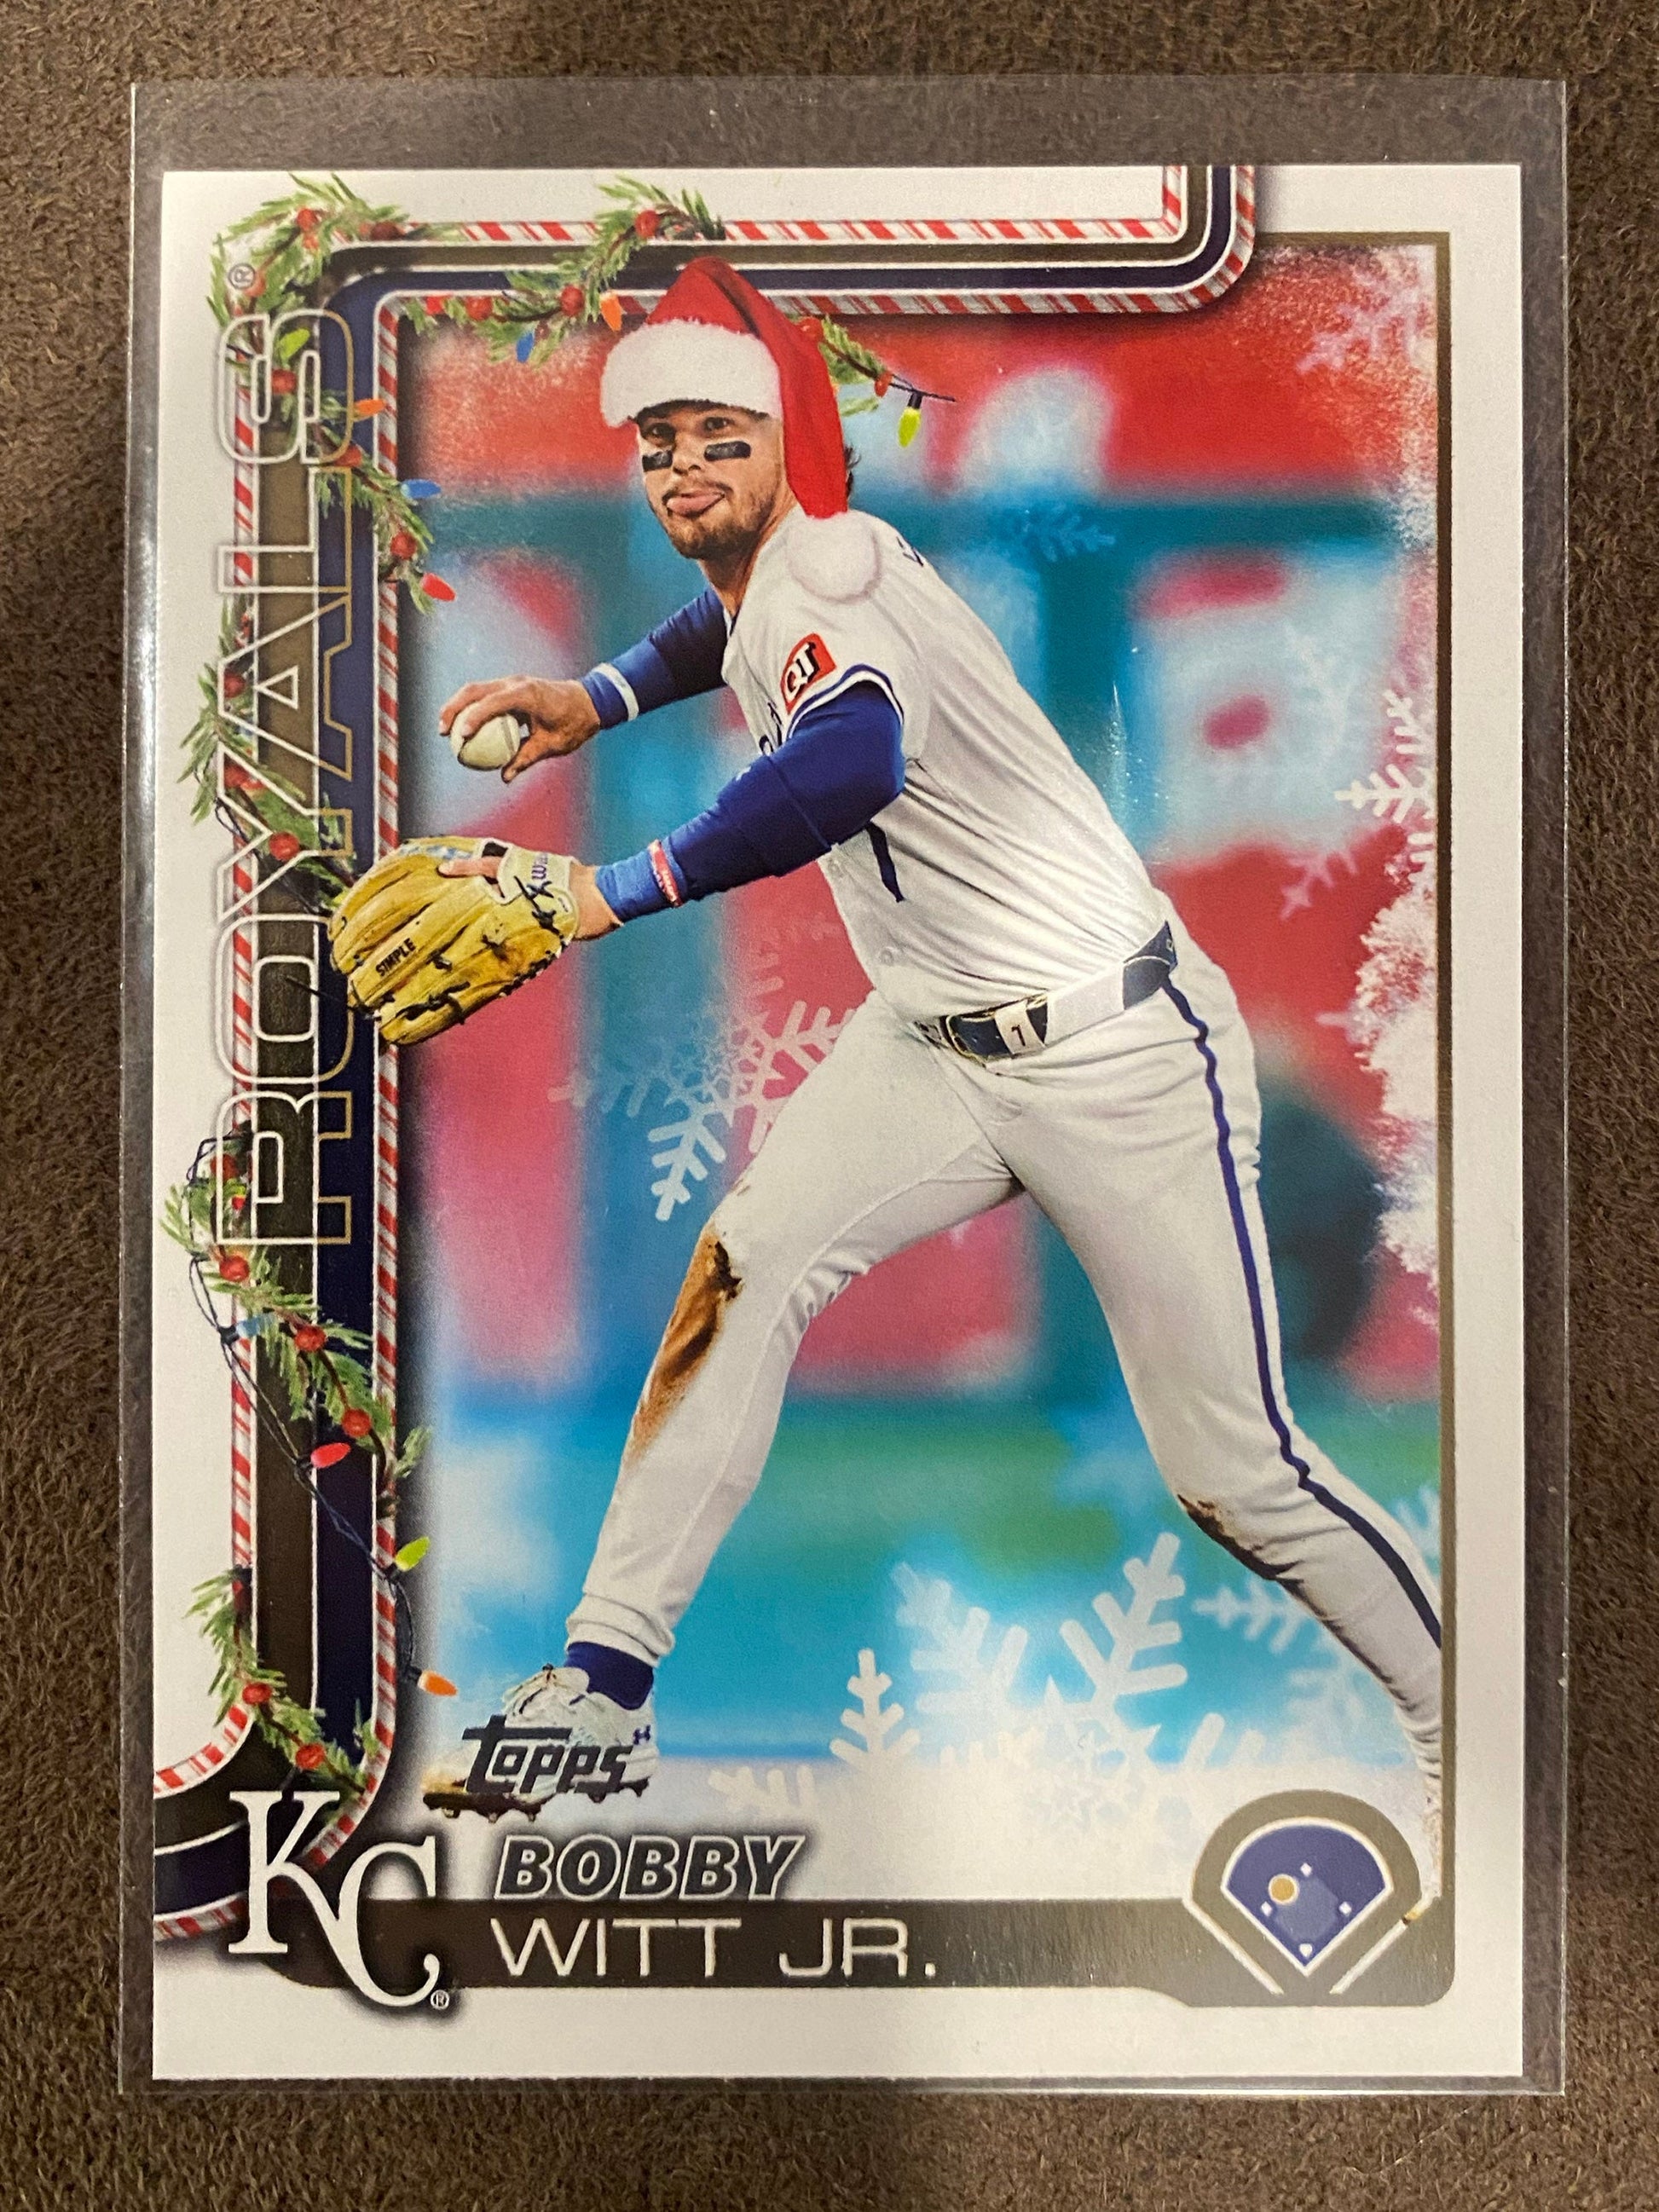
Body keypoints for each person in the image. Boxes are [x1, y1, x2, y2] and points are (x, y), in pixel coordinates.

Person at [421, 257, 1442, 1839]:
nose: (683, 468)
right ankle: (602, 1681)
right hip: (931, 1044)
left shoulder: (831, 585)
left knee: (1237, 1475)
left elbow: (846, 764)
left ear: (791, 442)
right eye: (661, 443)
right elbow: (721, 631)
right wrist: (596, 692)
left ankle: (1463, 1723)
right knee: (743, 1269)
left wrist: (607, 891)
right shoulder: (795, 565)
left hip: (1114, 1052)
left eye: (720, 437)